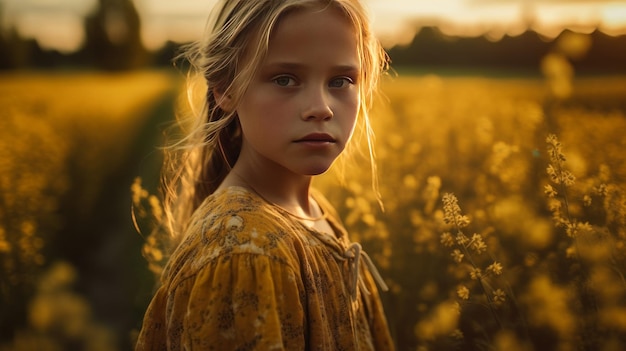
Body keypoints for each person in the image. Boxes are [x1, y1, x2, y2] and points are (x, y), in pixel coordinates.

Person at [135, 0, 394, 349]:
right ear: (225, 89)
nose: (321, 107)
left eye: (341, 80)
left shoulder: (312, 212)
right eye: (285, 79)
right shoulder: (245, 255)